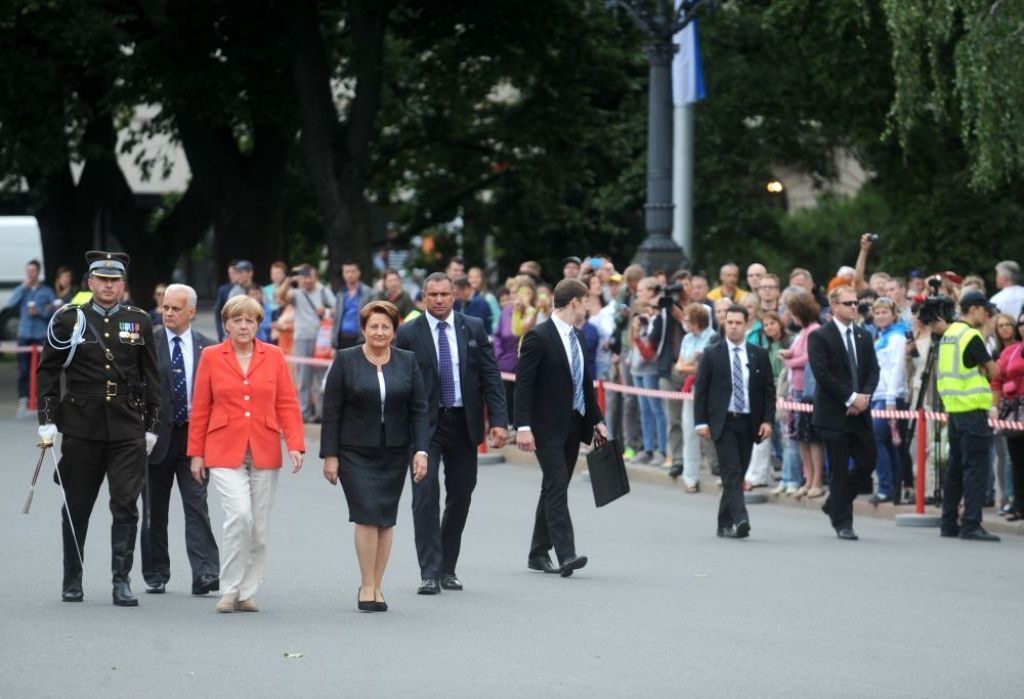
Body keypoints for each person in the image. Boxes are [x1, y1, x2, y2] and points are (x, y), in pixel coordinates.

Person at [36, 251, 161, 605]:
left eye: (114, 280)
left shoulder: (139, 321)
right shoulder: (68, 319)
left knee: (125, 505)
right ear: (89, 282)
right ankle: (72, 579)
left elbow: (152, 377)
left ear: (123, 284)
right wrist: (46, 421)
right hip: (81, 424)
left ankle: (121, 581)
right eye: (101, 279)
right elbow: (48, 372)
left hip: (127, 426)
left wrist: (151, 426)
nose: (108, 286)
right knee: (76, 504)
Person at [188, 295, 306, 612]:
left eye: (250, 320)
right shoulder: (212, 356)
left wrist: (295, 443)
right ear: (226, 324)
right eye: (237, 320)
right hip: (223, 447)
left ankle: (246, 591)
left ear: (258, 324)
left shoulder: (275, 355)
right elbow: (200, 407)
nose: (243, 326)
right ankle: (228, 589)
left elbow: (287, 403)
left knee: (260, 529)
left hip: (264, 446)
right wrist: (196, 453)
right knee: (239, 516)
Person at [396, 274, 508, 594]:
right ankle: (429, 571)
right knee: (425, 495)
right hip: (425, 426)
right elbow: (399, 380)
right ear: (423, 297)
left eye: (445, 293)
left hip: (463, 422)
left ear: (455, 295)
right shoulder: (408, 333)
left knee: (461, 494)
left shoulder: (472, 327)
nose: (440, 300)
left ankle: (447, 566)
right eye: (433, 294)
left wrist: (498, 420)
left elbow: (490, 376)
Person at [321, 301, 429, 611]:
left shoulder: (407, 361)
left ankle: (378, 584)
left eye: (385, 327)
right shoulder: (346, 359)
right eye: (374, 326)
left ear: (394, 331)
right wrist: (330, 455)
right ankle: (366, 584)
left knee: (385, 519)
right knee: (367, 514)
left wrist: (421, 451)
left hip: (394, 451)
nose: (379, 332)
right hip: (354, 451)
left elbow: (419, 409)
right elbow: (331, 411)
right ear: (364, 329)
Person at [515, 279, 607, 577]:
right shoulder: (537, 337)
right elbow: (524, 386)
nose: (590, 306)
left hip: (573, 425)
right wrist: (523, 427)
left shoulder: (577, 336)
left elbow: (585, 384)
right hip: (545, 428)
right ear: (575, 303)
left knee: (553, 487)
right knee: (556, 485)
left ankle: (537, 552)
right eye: (588, 301)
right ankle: (566, 554)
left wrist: (598, 421)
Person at [140, 284, 220, 596]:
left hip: (194, 439)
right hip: (155, 437)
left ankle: (205, 572)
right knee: (154, 509)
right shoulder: (148, 344)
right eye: (165, 307)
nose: (168, 313)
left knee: (197, 505)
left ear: (191, 312)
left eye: (175, 308)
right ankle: (156, 572)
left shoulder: (208, 348)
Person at [694, 305, 775, 539]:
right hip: (723, 422)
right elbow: (701, 390)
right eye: (729, 322)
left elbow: (768, 390)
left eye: (738, 323)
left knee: (736, 474)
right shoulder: (712, 353)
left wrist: (768, 420)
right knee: (731, 470)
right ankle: (741, 518)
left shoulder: (758, 354)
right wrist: (701, 422)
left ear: (746, 325)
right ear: (724, 324)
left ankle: (723, 522)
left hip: (749, 422)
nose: (733, 327)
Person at [807, 285, 880, 541]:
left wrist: (864, 398)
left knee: (867, 462)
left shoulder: (862, 335)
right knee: (838, 468)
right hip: (833, 413)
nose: (854, 307)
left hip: (860, 412)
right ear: (834, 306)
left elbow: (873, 370)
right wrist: (849, 397)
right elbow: (823, 374)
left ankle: (834, 503)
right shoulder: (820, 337)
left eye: (856, 303)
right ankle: (843, 522)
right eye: (848, 303)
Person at [936, 290, 1001, 541]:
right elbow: (995, 371)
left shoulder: (949, 334)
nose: (987, 315)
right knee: (975, 470)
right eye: (985, 310)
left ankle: (948, 523)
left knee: (955, 469)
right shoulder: (971, 336)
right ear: (973, 309)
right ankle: (971, 524)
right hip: (972, 411)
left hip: (954, 410)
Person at [278, 263, 335, 421]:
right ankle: (304, 413)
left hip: (321, 340)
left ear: (315, 277)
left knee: (320, 377)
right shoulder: (296, 293)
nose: (307, 280)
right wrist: (289, 279)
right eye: (304, 277)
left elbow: (337, 309)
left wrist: (326, 311)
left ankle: (321, 413)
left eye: (310, 277)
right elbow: (281, 296)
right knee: (303, 377)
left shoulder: (324, 291)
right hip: (301, 337)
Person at [869, 296, 909, 504]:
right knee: (886, 442)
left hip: (890, 397)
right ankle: (893, 487)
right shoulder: (880, 337)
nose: (880, 316)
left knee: (876, 439)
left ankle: (886, 487)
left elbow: (896, 369)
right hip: (878, 395)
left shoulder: (897, 337)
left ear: (893, 315)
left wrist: (892, 398)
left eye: (885, 312)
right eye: (877, 312)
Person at [675, 303, 716, 489]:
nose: (685, 323)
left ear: (697, 322)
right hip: (690, 390)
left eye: (688, 320)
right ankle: (689, 477)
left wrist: (689, 366)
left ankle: (719, 471)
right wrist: (689, 365)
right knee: (689, 432)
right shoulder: (687, 338)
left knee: (711, 432)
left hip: (707, 391)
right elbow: (680, 365)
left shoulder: (712, 337)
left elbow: (703, 368)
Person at [7, 259, 56, 411]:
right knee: (23, 369)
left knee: (40, 369)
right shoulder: (22, 290)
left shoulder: (46, 291)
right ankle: (24, 397)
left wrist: (40, 312)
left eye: (33, 271)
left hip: (40, 334)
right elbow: (10, 303)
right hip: (24, 334)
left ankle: (38, 396)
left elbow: (54, 312)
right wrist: (22, 287)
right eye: (28, 271)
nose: (30, 273)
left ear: (38, 272)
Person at [994, 311, 1024, 520]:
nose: (1023, 326)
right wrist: (993, 406)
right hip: (1015, 407)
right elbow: (996, 379)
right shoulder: (1011, 351)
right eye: (1021, 323)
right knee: (1016, 459)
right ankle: (1019, 505)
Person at [331, 260, 375, 350]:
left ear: (359, 273)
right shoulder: (341, 294)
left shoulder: (369, 293)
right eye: (347, 272)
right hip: (341, 339)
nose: (350, 275)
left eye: (352, 271)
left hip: (360, 339)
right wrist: (333, 342)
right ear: (343, 274)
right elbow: (336, 319)